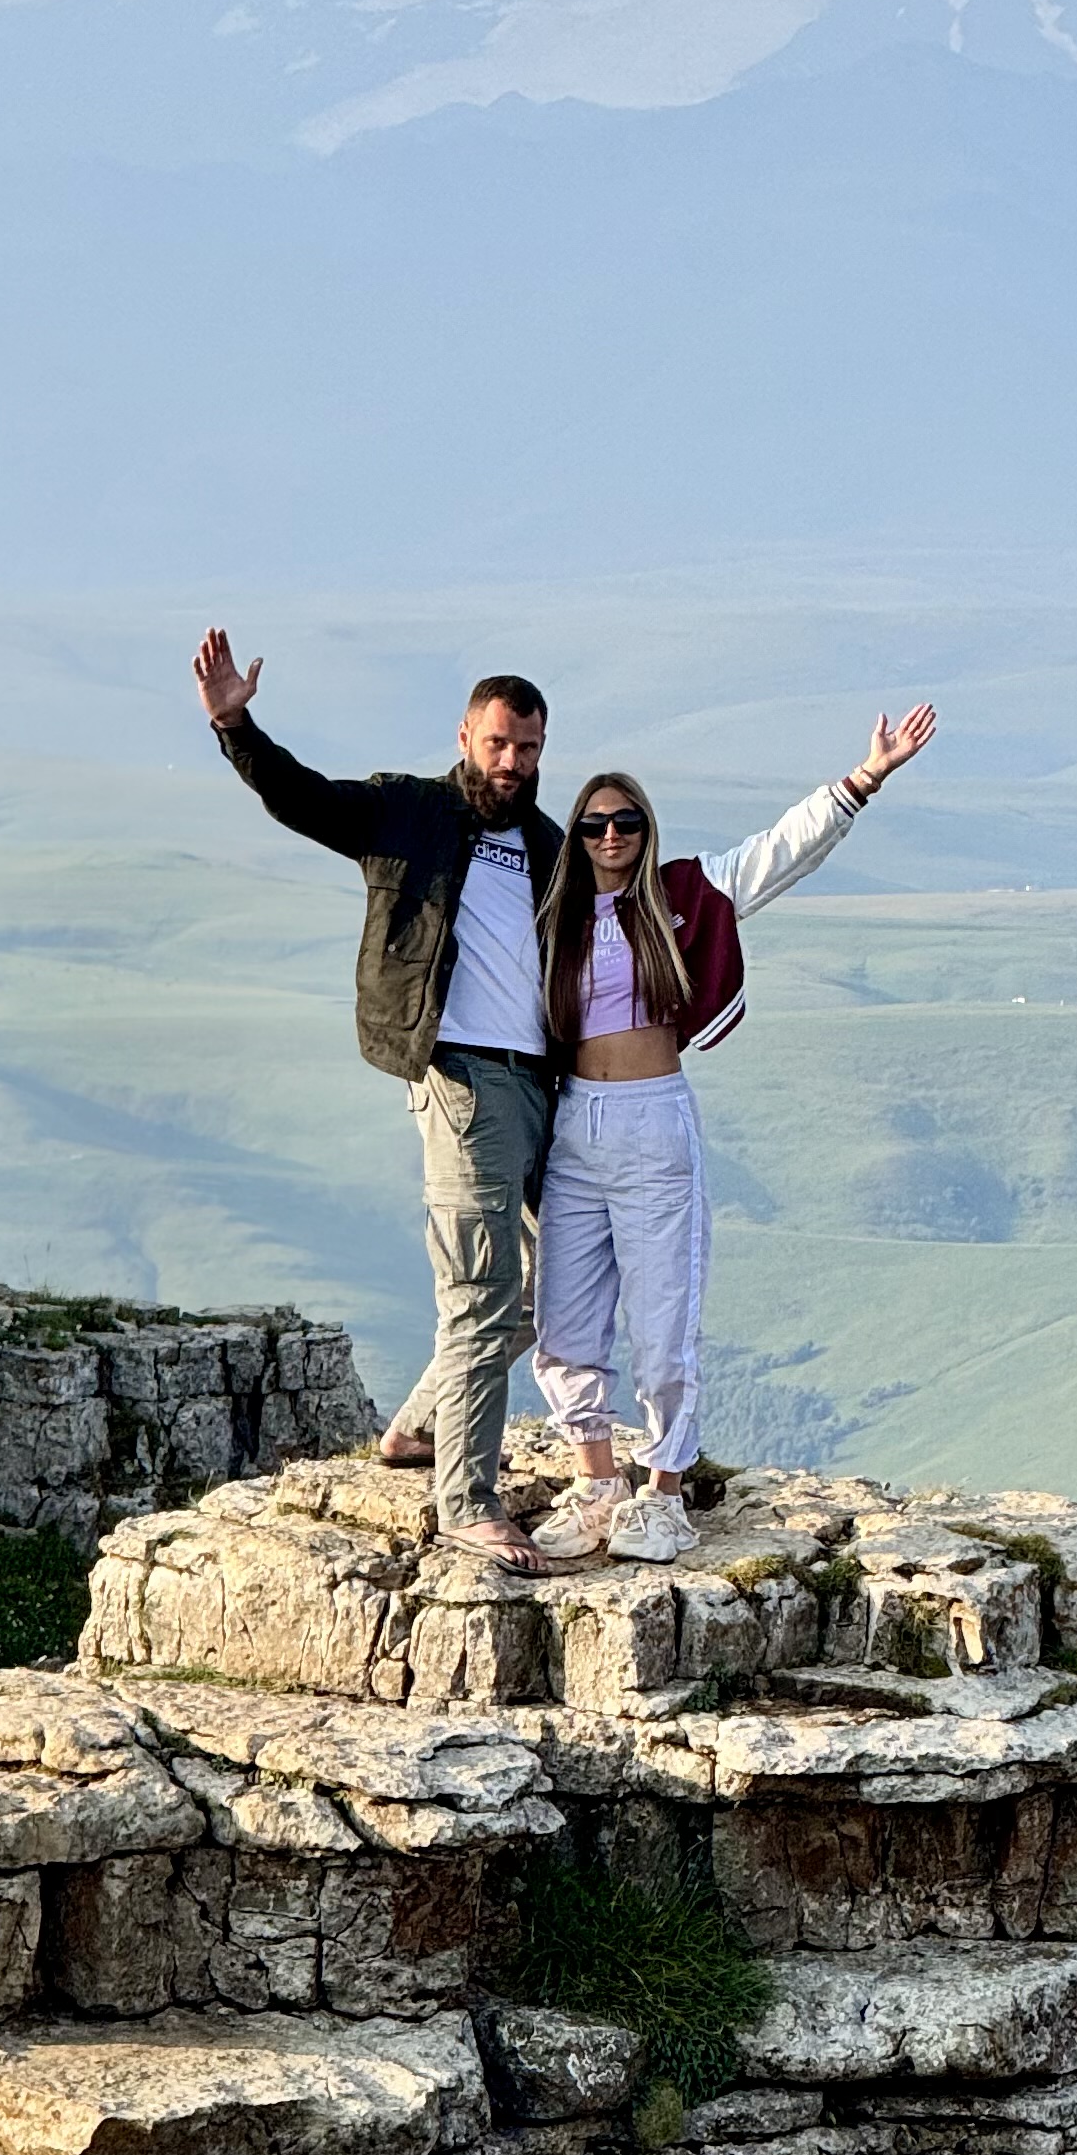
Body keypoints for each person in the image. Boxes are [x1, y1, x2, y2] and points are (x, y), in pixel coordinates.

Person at [191, 628, 567, 1568]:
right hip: (464, 1079)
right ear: (466, 736)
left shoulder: (549, 846)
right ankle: (467, 1503)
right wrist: (237, 727)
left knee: (555, 1285)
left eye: (527, 748)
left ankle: (418, 1429)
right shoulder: (408, 812)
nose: (512, 763)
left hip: (541, 1085)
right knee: (481, 1293)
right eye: (498, 743)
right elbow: (304, 798)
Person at [534, 706, 936, 1564]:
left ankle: (663, 1495)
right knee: (564, 1319)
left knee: (663, 1319)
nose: (611, 836)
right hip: (572, 1125)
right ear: (577, 835)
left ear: (645, 827)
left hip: (652, 1119)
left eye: (625, 821)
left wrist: (865, 777)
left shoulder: (682, 895)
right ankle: (597, 1485)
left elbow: (780, 851)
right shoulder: (552, 913)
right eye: (595, 824)